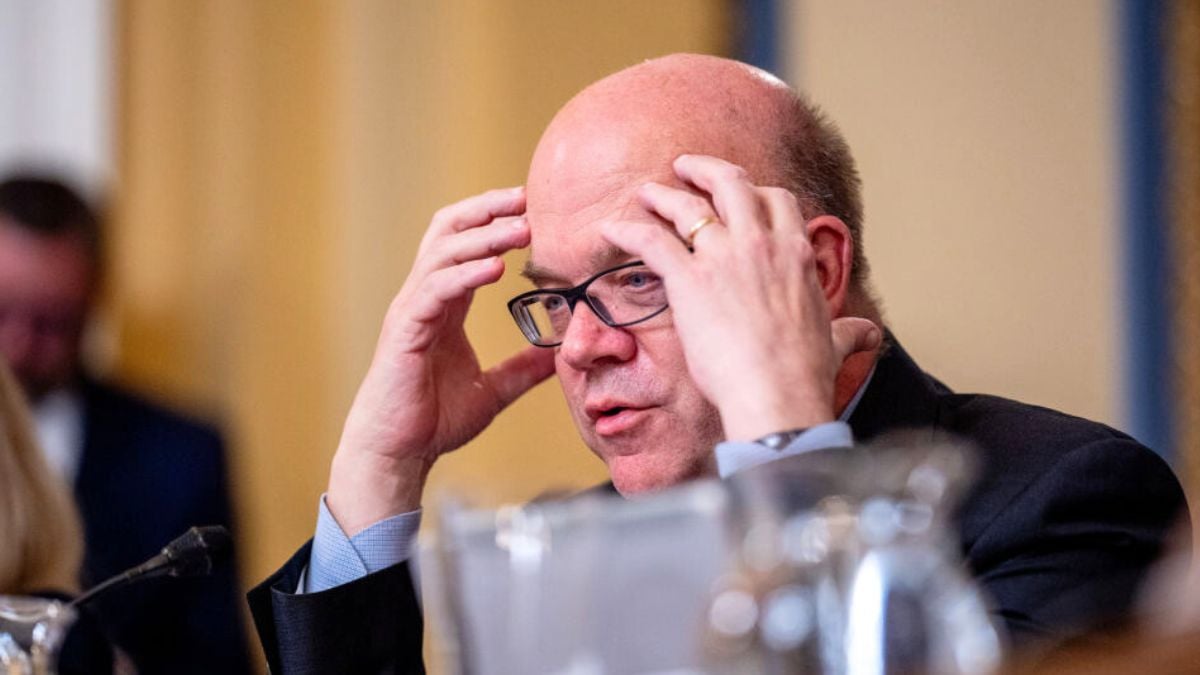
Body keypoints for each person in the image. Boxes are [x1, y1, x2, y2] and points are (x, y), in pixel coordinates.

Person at [248, 54, 1187, 673]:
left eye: (639, 277)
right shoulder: (571, 545)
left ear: (813, 271)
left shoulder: (1070, 497)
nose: (582, 345)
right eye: (562, 297)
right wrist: (377, 474)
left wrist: (782, 430)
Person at [0, 176, 252, 674]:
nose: (18, 345)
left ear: (94, 305)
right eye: (1, 311)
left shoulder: (180, 455)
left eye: (51, 322)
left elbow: (221, 662)